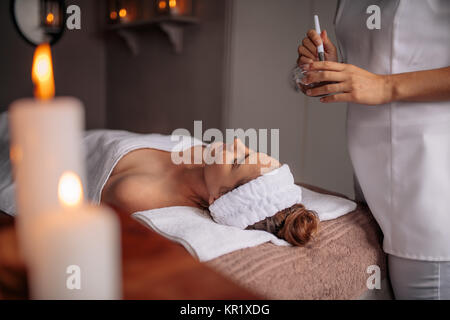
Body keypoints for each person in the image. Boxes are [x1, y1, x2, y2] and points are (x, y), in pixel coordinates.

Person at [297, 0, 450, 299]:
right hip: (371, 190)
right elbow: (386, 61)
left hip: (431, 189)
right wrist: (333, 68)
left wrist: (384, 86)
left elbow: (385, 80)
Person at [101, 136, 319, 246]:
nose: (237, 142)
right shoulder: (204, 157)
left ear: (220, 198)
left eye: (237, 161)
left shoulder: (136, 194)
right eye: (251, 151)